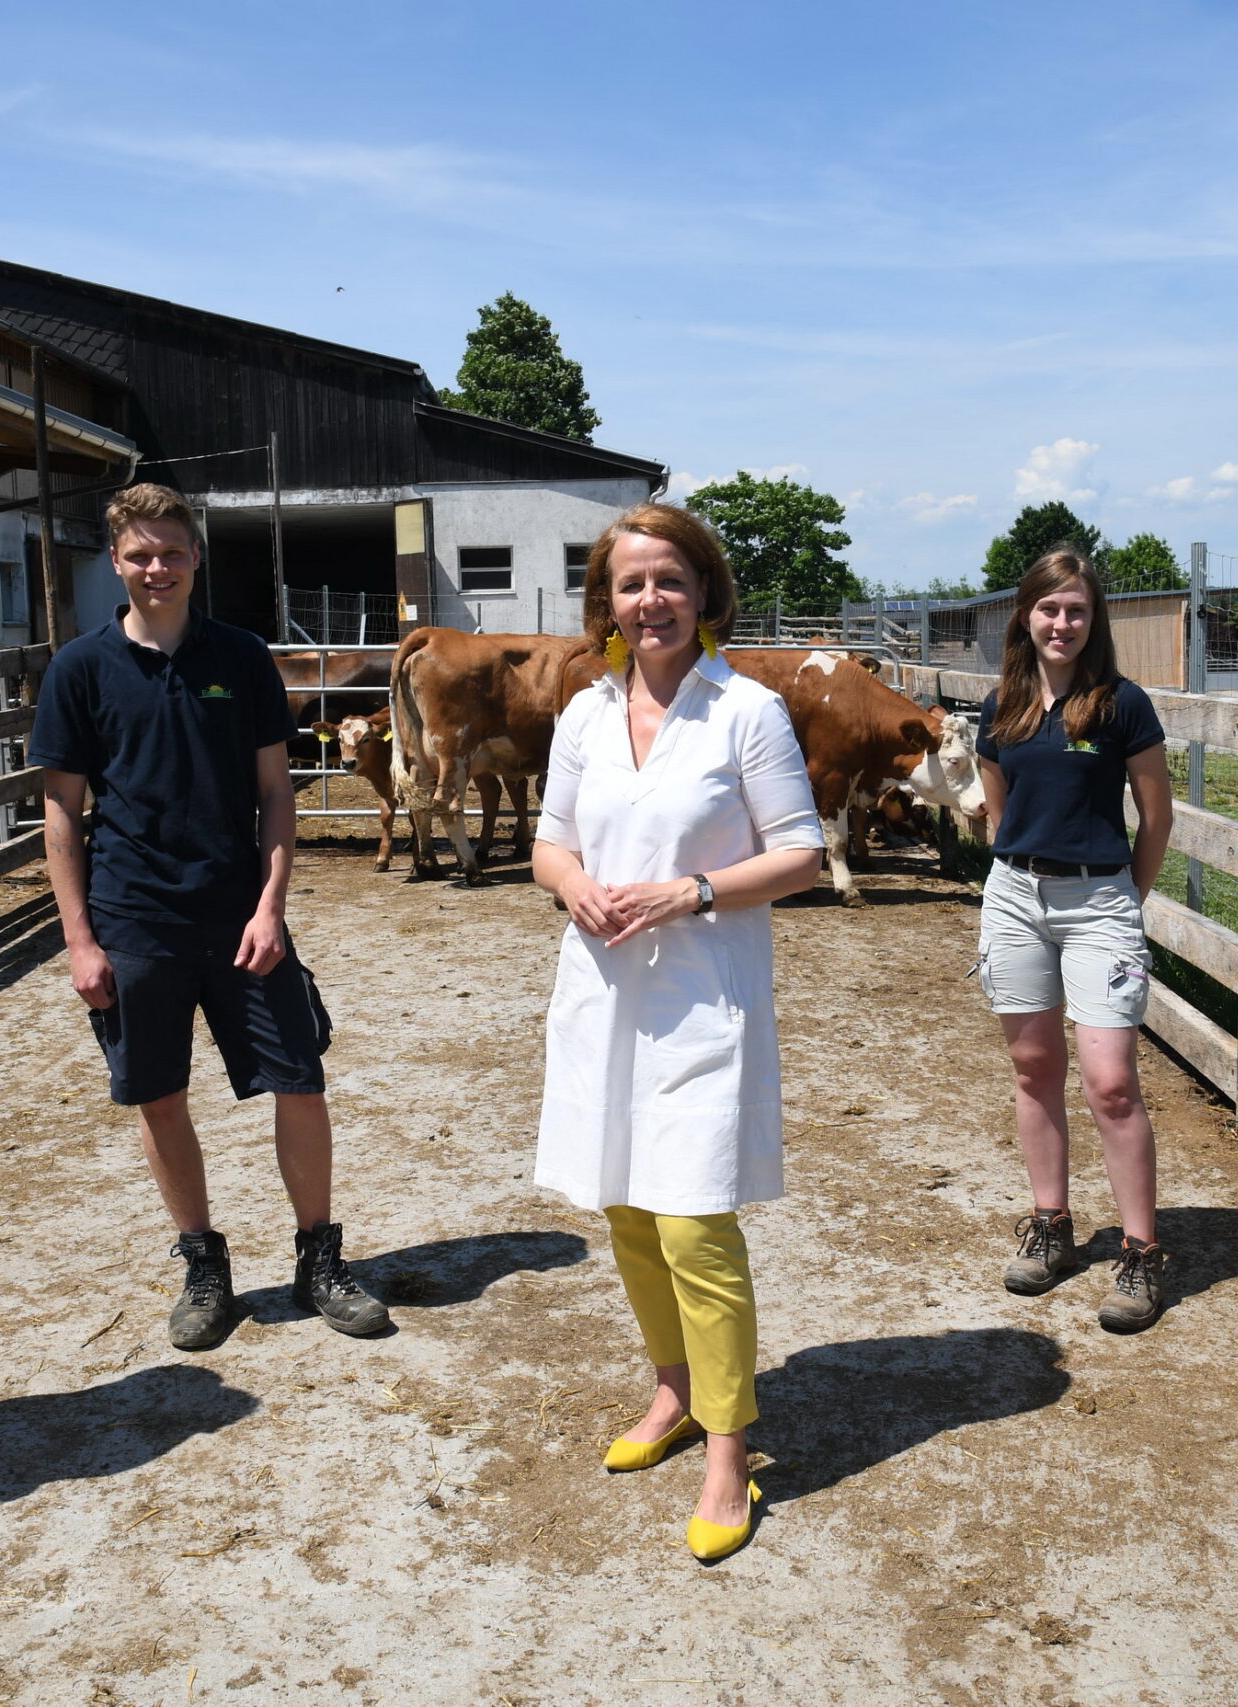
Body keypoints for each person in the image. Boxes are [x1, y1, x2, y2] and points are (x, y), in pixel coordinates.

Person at [533, 504, 824, 1562]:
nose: (647, 600)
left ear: (704, 592)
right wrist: (573, 889)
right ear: (604, 603)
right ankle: (671, 1393)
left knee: (696, 1223)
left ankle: (727, 1449)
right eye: (628, 583)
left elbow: (803, 856)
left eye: (668, 580)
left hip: (704, 997)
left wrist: (691, 892)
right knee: (624, 1210)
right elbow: (548, 843)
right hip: (604, 993)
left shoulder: (745, 712)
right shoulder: (582, 714)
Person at [32, 483, 388, 1348]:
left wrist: (271, 907)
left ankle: (319, 1257)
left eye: (173, 551)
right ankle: (205, 1266)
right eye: (140, 554)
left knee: (300, 1081)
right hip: (133, 918)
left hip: (240, 915)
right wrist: (79, 940)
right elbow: (60, 818)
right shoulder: (81, 668)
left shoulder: (241, 656)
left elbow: (276, 794)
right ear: (116, 561)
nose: (158, 567)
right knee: (160, 1095)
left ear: (197, 556)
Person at [975, 549, 1174, 1330]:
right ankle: (1052, 1226)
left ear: (1095, 621)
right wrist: (1016, 883)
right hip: (1016, 897)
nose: (1063, 623)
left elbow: (1156, 818)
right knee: (1032, 1066)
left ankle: (1140, 1253)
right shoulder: (1004, 707)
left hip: (1099, 902)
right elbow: (998, 813)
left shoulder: (1122, 705)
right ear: (1027, 615)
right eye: (1050, 608)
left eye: (1078, 610)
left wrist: (1124, 898)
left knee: (1110, 1080)